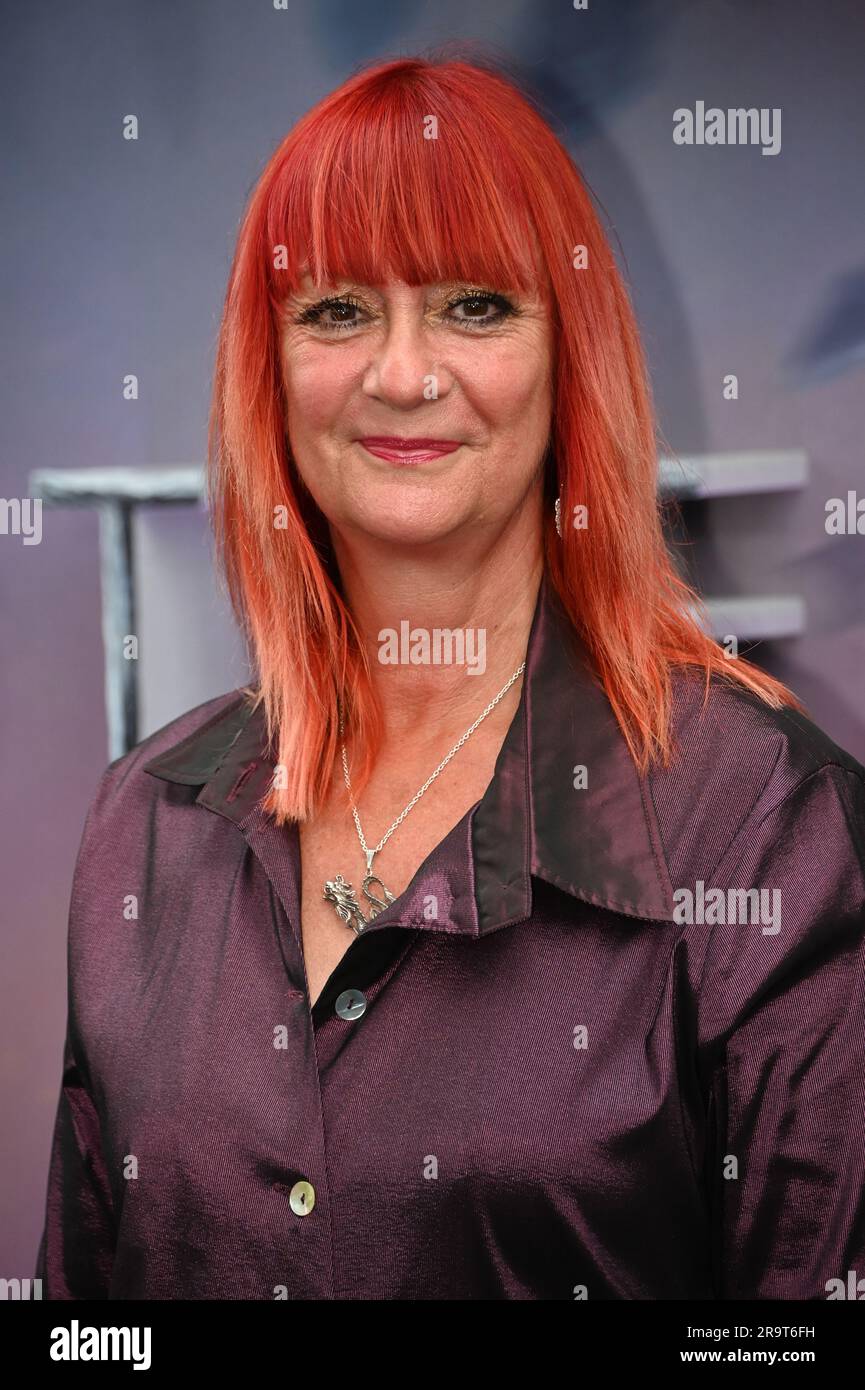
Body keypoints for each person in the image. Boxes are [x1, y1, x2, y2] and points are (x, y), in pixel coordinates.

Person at [36, 54, 865, 1300]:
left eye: (474, 305)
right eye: (336, 311)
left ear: (566, 352)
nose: (404, 373)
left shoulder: (762, 825)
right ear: (267, 368)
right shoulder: (140, 821)